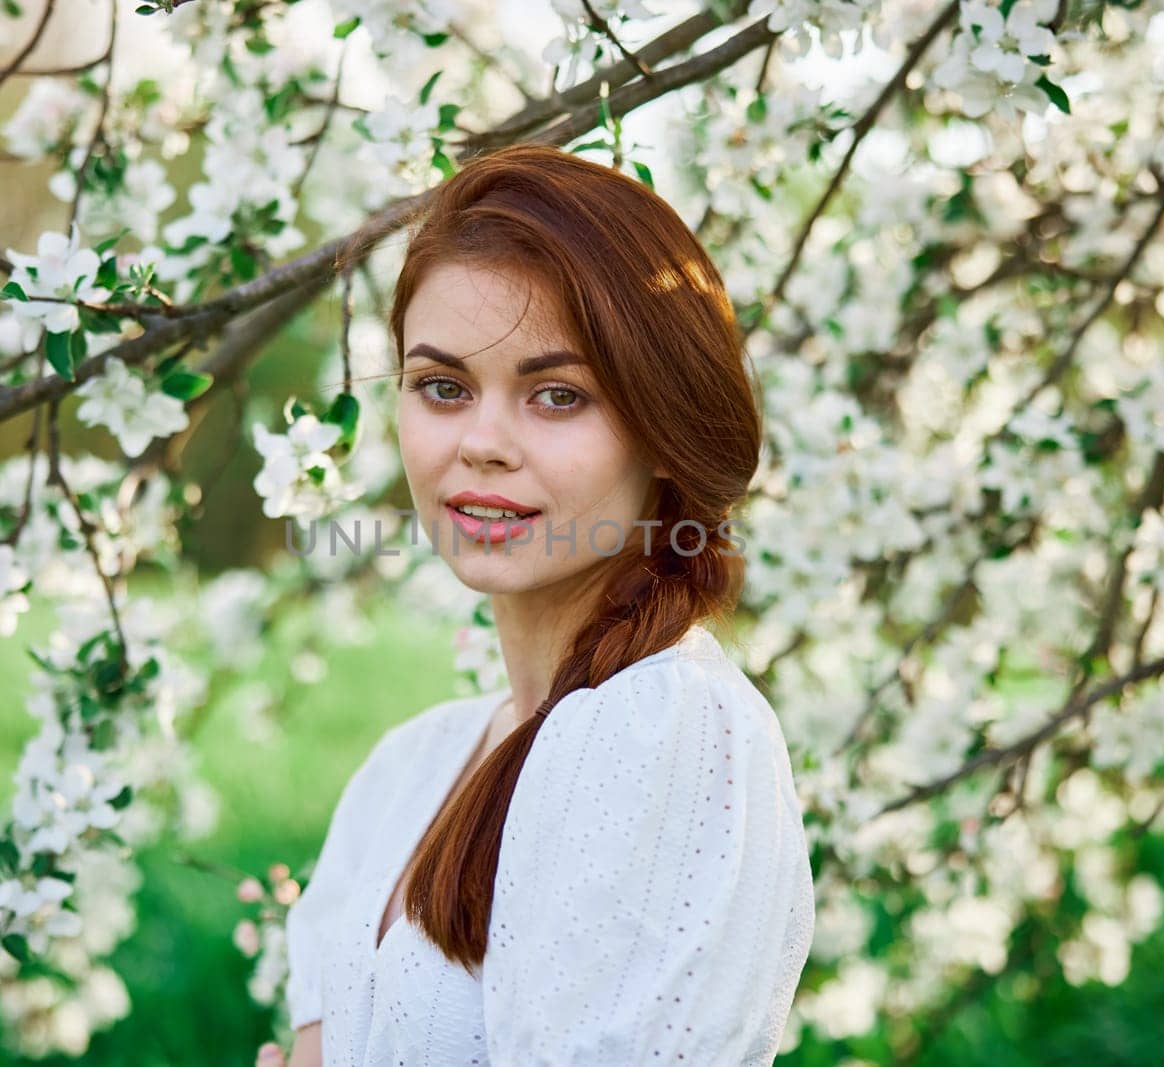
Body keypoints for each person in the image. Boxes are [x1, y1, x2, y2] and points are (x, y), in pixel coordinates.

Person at [257, 143, 814, 1066]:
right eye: (442, 387)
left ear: (665, 431)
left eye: (557, 396)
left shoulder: (668, 730)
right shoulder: (407, 769)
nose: (481, 443)